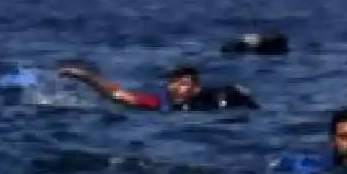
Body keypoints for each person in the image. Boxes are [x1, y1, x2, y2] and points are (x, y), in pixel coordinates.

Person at [58, 64, 259, 111]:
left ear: (196, 87)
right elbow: (119, 95)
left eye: (182, 83)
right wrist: (86, 77)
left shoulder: (216, 97)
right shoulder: (161, 103)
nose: (175, 88)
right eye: (172, 83)